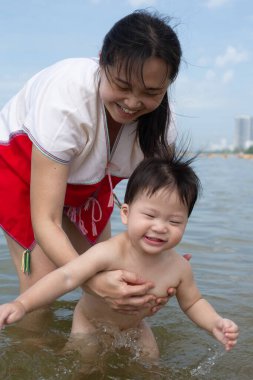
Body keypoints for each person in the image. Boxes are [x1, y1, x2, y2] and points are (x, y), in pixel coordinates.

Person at [0, 10, 184, 328]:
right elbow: (46, 221)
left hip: (91, 180)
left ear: (167, 85)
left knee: (117, 273)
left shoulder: (162, 131)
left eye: (151, 92)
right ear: (102, 62)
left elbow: (159, 208)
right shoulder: (66, 101)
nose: (132, 102)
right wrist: (90, 282)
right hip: (23, 169)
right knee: (42, 288)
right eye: (122, 85)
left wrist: (162, 261)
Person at [0, 155, 239, 359]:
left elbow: (193, 302)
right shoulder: (109, 252)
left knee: (151, 366)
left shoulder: (178, 267)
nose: (160, 227)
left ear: (186, 223)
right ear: (126, 213)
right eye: (149, 215)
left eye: (174, 221)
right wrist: (22, 304)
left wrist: (214, 323)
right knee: (84, 365)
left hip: (136, 327)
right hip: (90, 324)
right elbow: (65, 277)